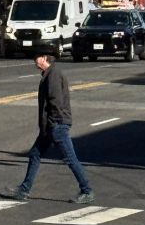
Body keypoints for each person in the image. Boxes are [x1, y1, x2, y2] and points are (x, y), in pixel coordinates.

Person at [12, 54, 94, 204]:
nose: (34, 61)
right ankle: (24, 189)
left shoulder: (54, 75)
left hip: (57, 125)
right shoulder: (49, 74)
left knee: (70, 159)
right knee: (35, 154)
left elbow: (55, 102)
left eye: (35, 57)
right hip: (50, 126)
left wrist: (52, 123)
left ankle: (87, 190)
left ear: (44, 58)